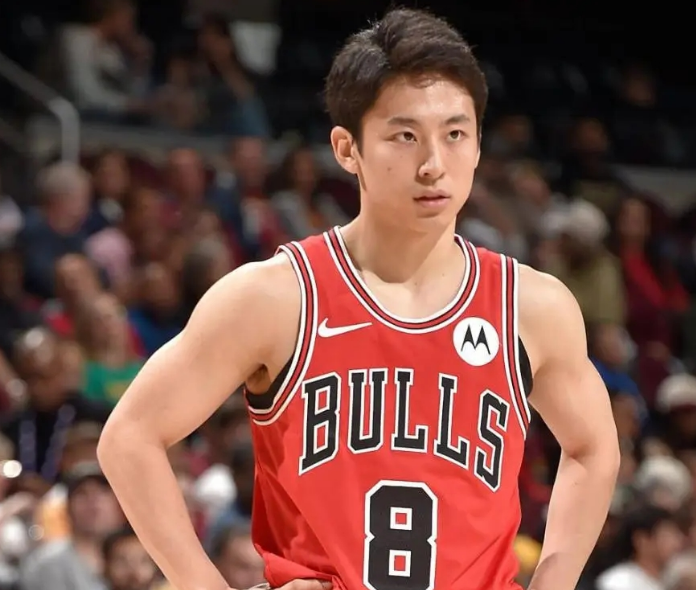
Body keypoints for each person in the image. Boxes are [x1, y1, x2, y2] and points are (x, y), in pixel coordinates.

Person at [98, 8, 620, 590]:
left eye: (455, 134)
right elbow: (129, 439)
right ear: (347, 149)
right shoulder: (276, 296)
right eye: (405, 136)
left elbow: (593, 449)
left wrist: (554, 582)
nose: (433, 165)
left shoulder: (531, 306)